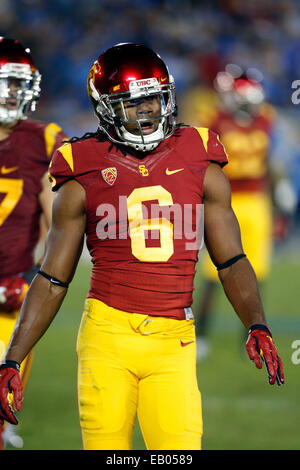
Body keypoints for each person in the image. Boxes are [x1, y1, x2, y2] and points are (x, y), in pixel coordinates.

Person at [0, 43, 284, 451]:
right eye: (133, 104)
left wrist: (256, 323)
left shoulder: (199, 153)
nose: (147, 112)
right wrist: (13, 358)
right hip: (106, 335)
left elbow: (231, 258)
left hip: (174, 339)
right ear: (106, 107)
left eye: (152, 100)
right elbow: (53, 276)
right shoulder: (82, 163)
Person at [181, 66, 294, 359]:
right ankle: (201, 334)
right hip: (224, 201)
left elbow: (270, 160)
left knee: (257, 272)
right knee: (213, 272)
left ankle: (254, 334)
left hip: (256, 201)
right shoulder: (214, 120)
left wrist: (280, 188)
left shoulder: (266, 118)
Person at [0, 37, 67, 449]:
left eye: (18, 84)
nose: (12, 93)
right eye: (5, 82)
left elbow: (56, 222)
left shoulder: (43, 139)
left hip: (11, 286)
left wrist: (28, 278)